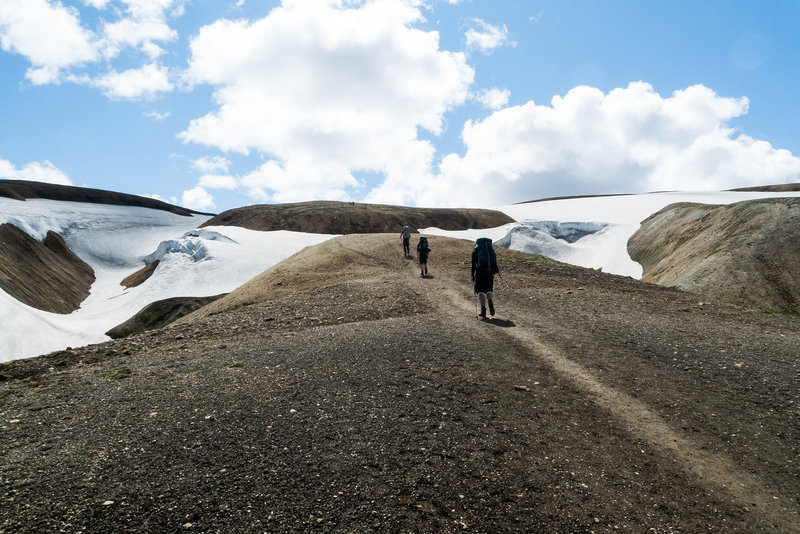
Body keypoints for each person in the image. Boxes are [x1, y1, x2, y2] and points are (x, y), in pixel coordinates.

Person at [471, 237, 498, 318]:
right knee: (489, 288)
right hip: (490, 271)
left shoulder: (476, 250)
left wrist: (472, 275)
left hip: (480, 272)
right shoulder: (490, 250)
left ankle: (483, 311)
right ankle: (490, 301)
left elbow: (473, 265)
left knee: (480, 291)